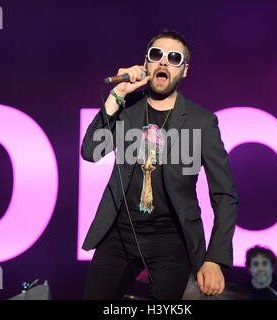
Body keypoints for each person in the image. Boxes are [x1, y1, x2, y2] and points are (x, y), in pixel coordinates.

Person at [80, 29, 238, 300]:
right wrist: (117, 93)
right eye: (157, 55)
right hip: (120, 234)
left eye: (174, 58)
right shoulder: (127, 107)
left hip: (171, 239)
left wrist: (215, 258)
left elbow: (225, 195)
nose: (164, 62)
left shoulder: (201, 122)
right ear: (146, 64)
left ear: (184, 70)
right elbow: (91, 151)